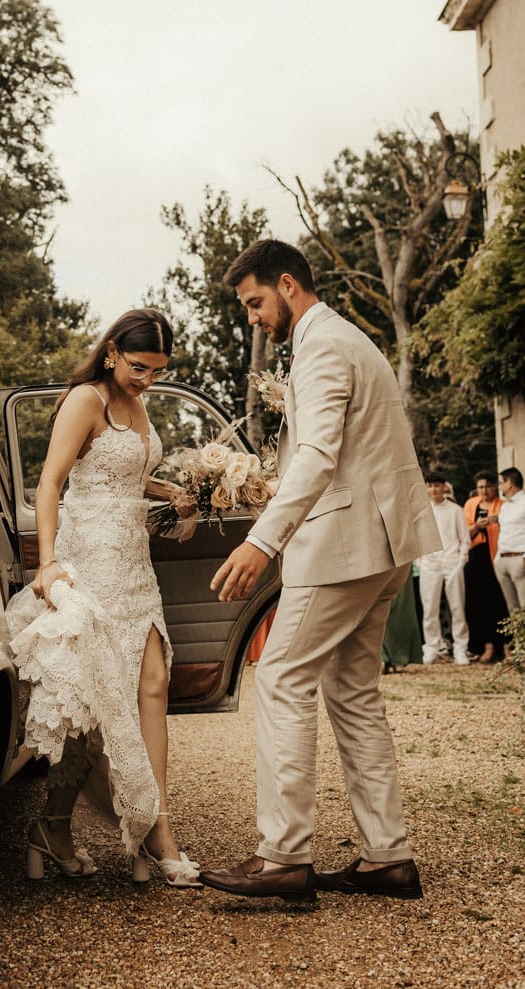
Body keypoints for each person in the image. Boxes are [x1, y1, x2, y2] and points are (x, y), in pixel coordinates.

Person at [198, 239, 440, 902]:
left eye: (254, 302)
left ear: (287, 284)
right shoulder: (349, 339)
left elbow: (320, 455)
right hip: (382, 544)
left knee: (279, 675)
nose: (252, 316)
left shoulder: (322, 346)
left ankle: (283, 856)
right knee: (352, 689)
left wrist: (261, 542)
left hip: (343, 544)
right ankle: (387, 856)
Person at [7, 308, 202, 888]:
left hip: (136, 567)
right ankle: (56, 825)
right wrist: (48, 563)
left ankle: (153, 825)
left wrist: (175, 491)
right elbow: (53, 482)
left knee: (153, 687)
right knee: (93, 705)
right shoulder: (86, 399)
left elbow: (120, 475)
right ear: (112, 350)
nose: (148, 380)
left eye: (159, 371)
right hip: (89, 564)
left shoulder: (137, 402)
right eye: (141, 367)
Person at [417, 472, 471, 665]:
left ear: (444, 487)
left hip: (452, 562)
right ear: (425, 487)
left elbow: (464, 539)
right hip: (430, 564)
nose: (433, 489)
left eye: (437, 485)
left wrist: (460, 561)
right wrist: (421, 562)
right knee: (429, 609)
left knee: (457, 608)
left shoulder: (455, 510)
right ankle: (432, 647)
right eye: (430, 485)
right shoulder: (422, 510)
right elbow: (418, 539)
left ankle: (460, 648)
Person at [463, 472, 508, 663]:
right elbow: (464, 533)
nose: (484, 491)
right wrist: (477, 527)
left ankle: (506, 645)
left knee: (500, 601)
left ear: (495, 487)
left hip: (496, 556)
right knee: (478, 602)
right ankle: (487, 645)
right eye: (480, 487)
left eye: (488, 486)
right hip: (477, 557)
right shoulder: (471, 504)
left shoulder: (503, 506)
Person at [494, 467, 525, 614]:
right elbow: (504, 531)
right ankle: (516, 637)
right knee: (512, 610)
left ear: (509, 483)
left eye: (500, 483)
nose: (498, 486)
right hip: (502, 560)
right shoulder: (504, 506)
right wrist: (497, 558)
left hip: (519, 559)